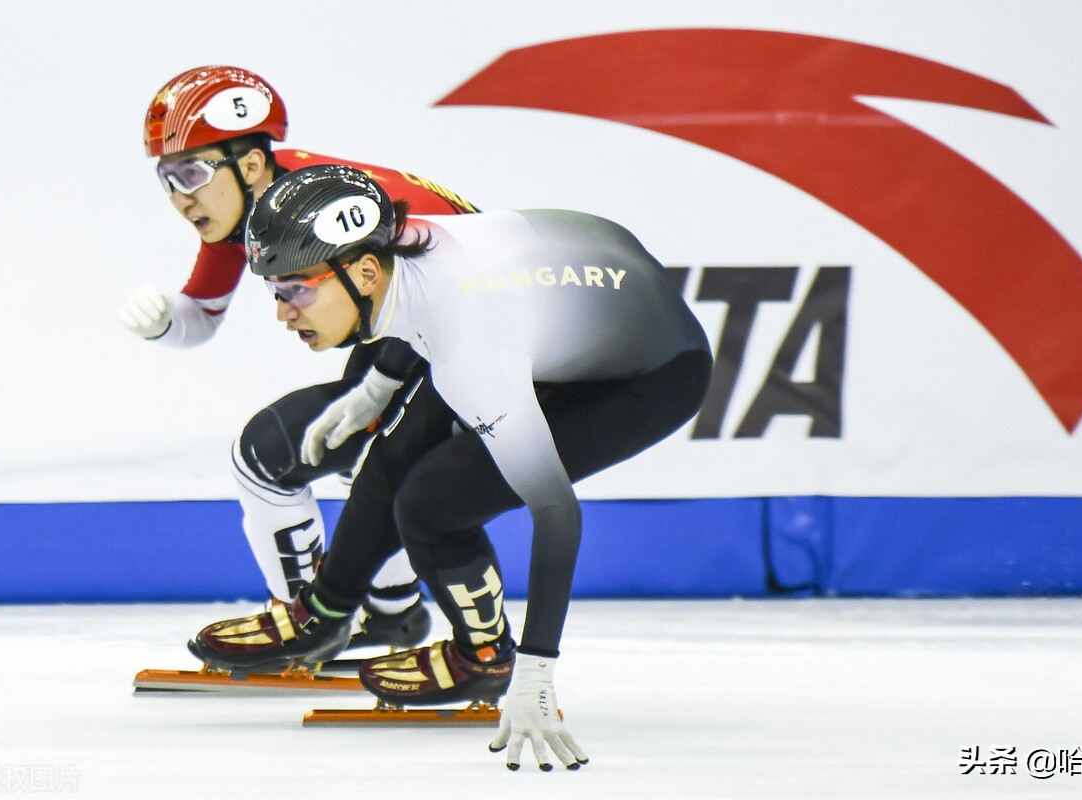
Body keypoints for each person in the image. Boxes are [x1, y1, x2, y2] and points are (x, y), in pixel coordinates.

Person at [188, 165, 714, 771]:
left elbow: (556, 511)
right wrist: (378, 386)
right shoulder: (405, 250)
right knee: (390, 449)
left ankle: (488, 660)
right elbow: (415, 311)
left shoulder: (471, 348)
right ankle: (327, 613)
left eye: (295, 290)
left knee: (434, 503)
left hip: (652, 371)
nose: (283, 312)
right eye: (275, 292)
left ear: (362, 272)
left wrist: (539, 669)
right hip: (583, 277)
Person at [119, 66, 479, 650]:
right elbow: (202, 316)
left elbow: (456, 271)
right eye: (167, 178)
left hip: (467, 334)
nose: (180, 197)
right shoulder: (255, 204)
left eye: (190, 172)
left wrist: (383, 382)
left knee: (269, 459)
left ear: (252, 165)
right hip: (431, 337)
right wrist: (165, 321)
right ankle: (390, 615)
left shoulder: (325, 199)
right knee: (349, 454)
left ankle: (313, 620)